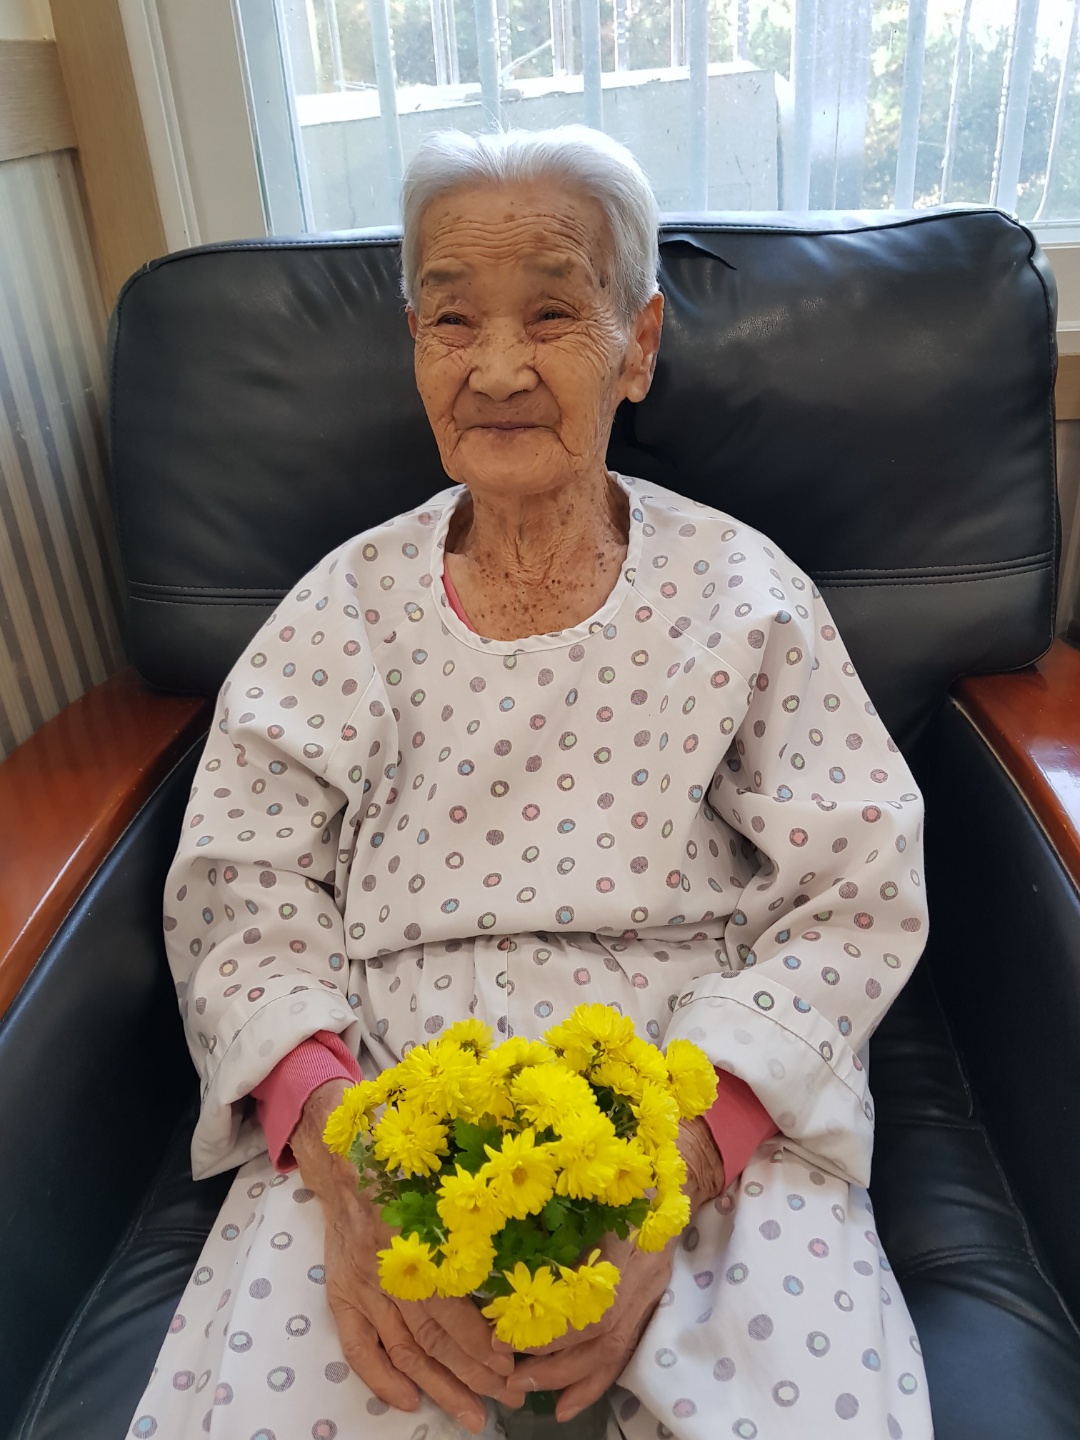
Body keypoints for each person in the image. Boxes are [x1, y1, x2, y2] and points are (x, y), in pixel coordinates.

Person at [129, 126, 933, 1440]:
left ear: (639, 343)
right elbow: (240, 891)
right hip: (392, 1102)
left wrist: (681, 1159)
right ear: (415, 346)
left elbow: (855, 889)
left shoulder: (744, 594)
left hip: (682, 1091)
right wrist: (340, 1150)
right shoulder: (343, 606)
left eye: (553, 313)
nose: (497, 367)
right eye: (453, 319)